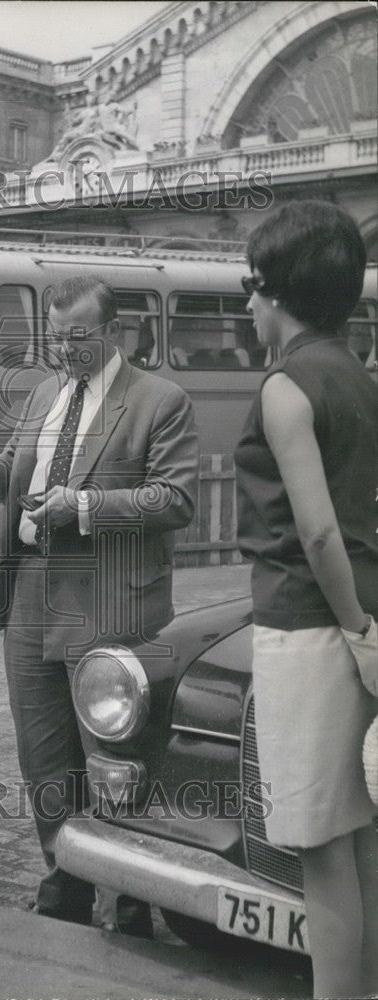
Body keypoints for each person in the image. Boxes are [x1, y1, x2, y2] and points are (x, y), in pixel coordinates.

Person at [0, 275, 198, 931]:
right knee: (42, 757)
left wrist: (82, 505)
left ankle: (129, 899)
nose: (62, 351)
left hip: (107, 600)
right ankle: (63, 880)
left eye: (76, 338)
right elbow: (15, 470)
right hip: (31, 592)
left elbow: (174, 499)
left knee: (112, 760)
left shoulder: (159, 400)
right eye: (55, 338)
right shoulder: (43, 393)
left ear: (111, 332)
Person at [234, 200, 378, 999]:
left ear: (280, 290)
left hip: (308, 626)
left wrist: (353, 628)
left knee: (319, 849)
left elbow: (316, 534)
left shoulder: (285, 386)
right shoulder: (355, 373)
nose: (246, 303)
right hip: (357, 616)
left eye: (251, 284)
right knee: (360, 841)